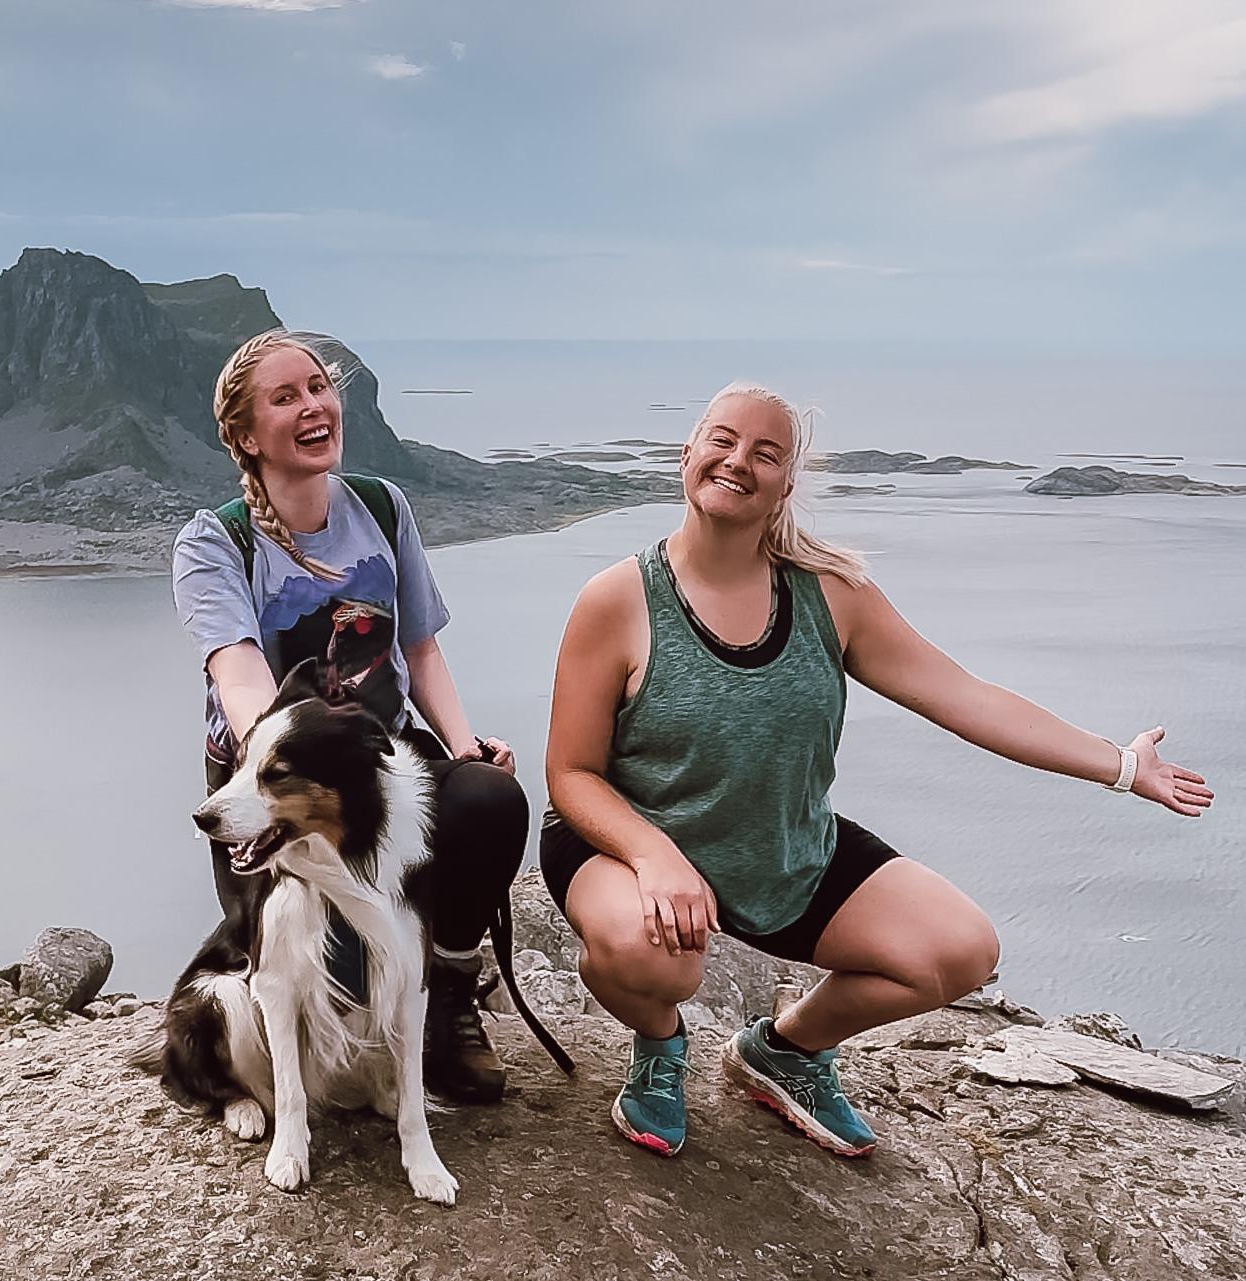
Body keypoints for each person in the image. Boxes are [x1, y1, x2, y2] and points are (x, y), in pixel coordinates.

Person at [542, 381, 1214, 1158]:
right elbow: (572, 773)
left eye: (766, 452)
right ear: (687, 454)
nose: (737, 462)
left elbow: (965, 697)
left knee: (961, 949)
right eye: (721, 440)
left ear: (786, 483)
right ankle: (660, 1045)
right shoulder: (618, 599)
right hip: (623, 848)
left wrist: (1125, 766)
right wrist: (656, 857)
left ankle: (783, 1051)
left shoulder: (832, 595)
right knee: (654, 957)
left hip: (781, 850)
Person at [172, 329, 527, 1104]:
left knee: (490, 801)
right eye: (285, 396)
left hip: (382, 759)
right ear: (243, 434)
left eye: (318, 388)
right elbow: (238, 675)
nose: (313, 406)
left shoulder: (381, 505)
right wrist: (277, 777)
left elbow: (422, 651)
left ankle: (450, 999)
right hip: (274, 769)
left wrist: (466, 749)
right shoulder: (214, 541)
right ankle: (250, 1056)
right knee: (305, 938)